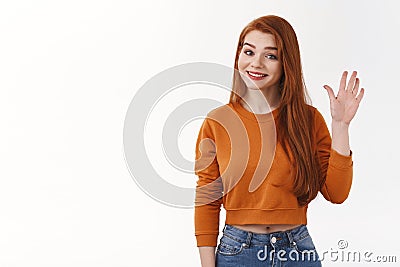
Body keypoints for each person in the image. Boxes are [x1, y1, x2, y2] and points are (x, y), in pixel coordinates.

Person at [194, 15, 364, 267]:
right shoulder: (217, 122)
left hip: (297, 250)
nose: (256, 63)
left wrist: (341, 126)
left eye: (270, 56)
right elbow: (207, 199)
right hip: (238, 252)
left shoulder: (308, 119)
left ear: (287, 63)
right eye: (249, 51)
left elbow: (336, 194)